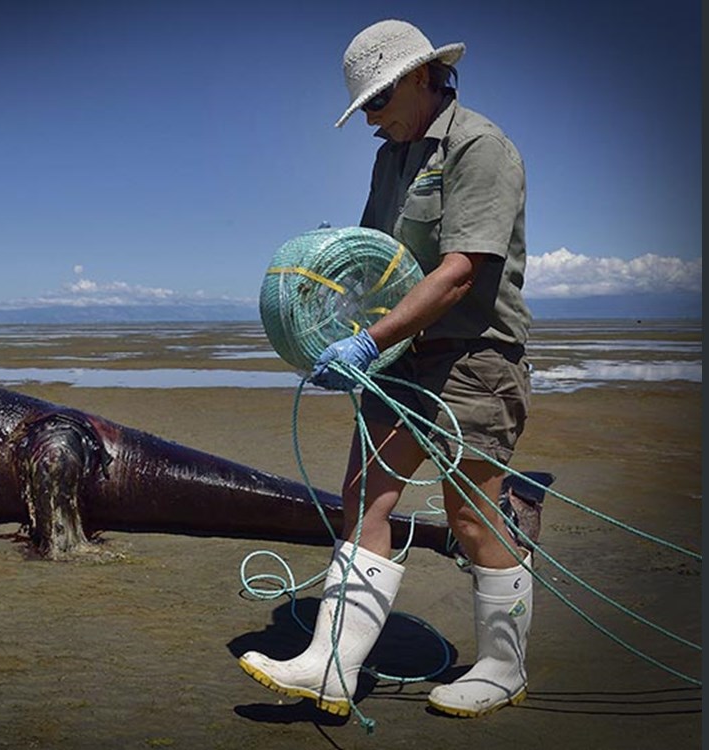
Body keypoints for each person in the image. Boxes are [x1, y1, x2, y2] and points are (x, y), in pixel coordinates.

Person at [239, 19, 534, 719]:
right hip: (404, 350)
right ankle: (331, 666)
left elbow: (463, 270)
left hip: (472, 352)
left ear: (420, 78)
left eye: (378, 101)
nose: (373, 119)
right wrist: (336, 302)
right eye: (365, 107)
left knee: (472, 514)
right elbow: (379, 257)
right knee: (364, 492)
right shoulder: (390, 157)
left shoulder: (479, 146)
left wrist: (369, 341)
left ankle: (502, 666)